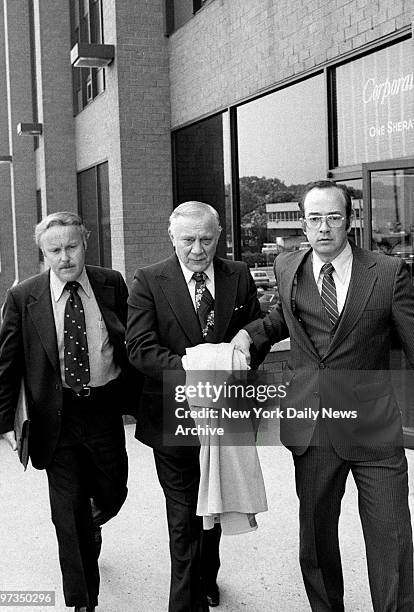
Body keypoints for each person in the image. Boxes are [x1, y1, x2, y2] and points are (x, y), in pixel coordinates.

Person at [233, 180, 414, 611]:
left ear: (349, 221)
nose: (324, 228)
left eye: (333, 217)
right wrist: (247, 334)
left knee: (392, 541)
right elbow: (283, 316)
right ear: (303, 223)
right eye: (314, 219)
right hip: (311, 427)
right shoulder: (286, 266)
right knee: (315, 544)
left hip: (372, 427)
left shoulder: (389, 273)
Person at [0, 212, 135, 612]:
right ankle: (83, 600)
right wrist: (4, 420)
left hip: (104, 409)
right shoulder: (24, 297)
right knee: (66, 515)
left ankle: (94, 521)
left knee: (113, 492)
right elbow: (9, 363)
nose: (64, 257)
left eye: (71, 247)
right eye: (54, 250)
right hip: (55, 418)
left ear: (85, 242)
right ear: (43, 253)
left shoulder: (111, 284)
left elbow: (130, 343)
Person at [126, 201, 262, 611]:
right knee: (184, 517)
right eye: (188, 239)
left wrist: (243, 351)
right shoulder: (149, 280)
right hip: (174, 415)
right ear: (172, 237)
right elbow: (139, 348)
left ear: (218, 236)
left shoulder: (238, 275)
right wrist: (200, 367)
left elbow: (254, 331)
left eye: (206, 238)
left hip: (226, 413)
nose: (198, 249)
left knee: (215, 507)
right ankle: (184, 603)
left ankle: (207, 576)